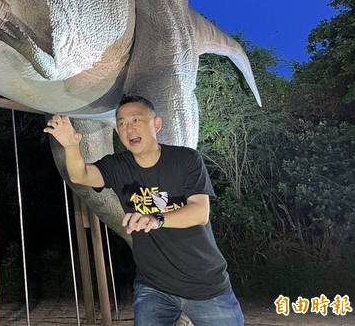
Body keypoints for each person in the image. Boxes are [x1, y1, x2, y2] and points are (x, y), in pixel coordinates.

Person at [44, 94, 244, 326]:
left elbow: (200, 212)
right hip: (154, 287)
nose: (129, 128)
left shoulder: (186, 159)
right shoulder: (117, 166)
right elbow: (81, 175)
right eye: (121, 123)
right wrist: (71, 146)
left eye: (136, 120)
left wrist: (155, 219)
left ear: (156, 124)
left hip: (205, 285)